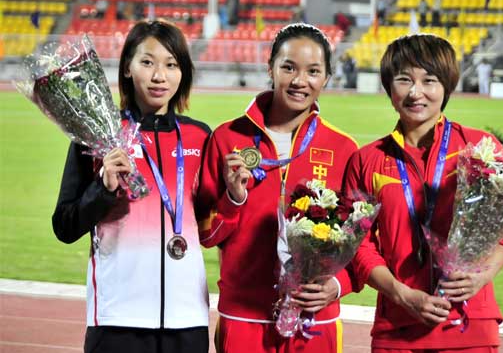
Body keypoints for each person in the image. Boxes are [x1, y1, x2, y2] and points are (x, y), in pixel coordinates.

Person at [344, 34, 503, 353]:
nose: (416, 92)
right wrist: (401, 294)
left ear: (446, 86)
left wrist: (484, 274)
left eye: (429, 80)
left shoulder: (479, 148)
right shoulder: (366, 160)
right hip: (397, 330)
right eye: (404, 80)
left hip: (469, 326)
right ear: (389, 88)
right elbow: (357, 245)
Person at [196, 23, 359, 353]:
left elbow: (362, 240)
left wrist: (339, 285)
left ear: (327, 77)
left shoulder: (343, 149)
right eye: (288, 68)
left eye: (313, 71)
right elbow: (206, 234)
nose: (300, 81)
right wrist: (233, 198)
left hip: (314, 321)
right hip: (244, 318)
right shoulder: (228, 139)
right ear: (270, 67)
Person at [52, 20, 211, 352]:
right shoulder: (97, 136)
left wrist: (236, 195)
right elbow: (65, 225)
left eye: (171, 64)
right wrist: (103, 188)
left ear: (183, 73)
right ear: (127, 67)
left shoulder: (200, 137)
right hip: (117, 317)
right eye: (148, 62)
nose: (159, 76)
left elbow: (212, 224)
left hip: (187, 319)